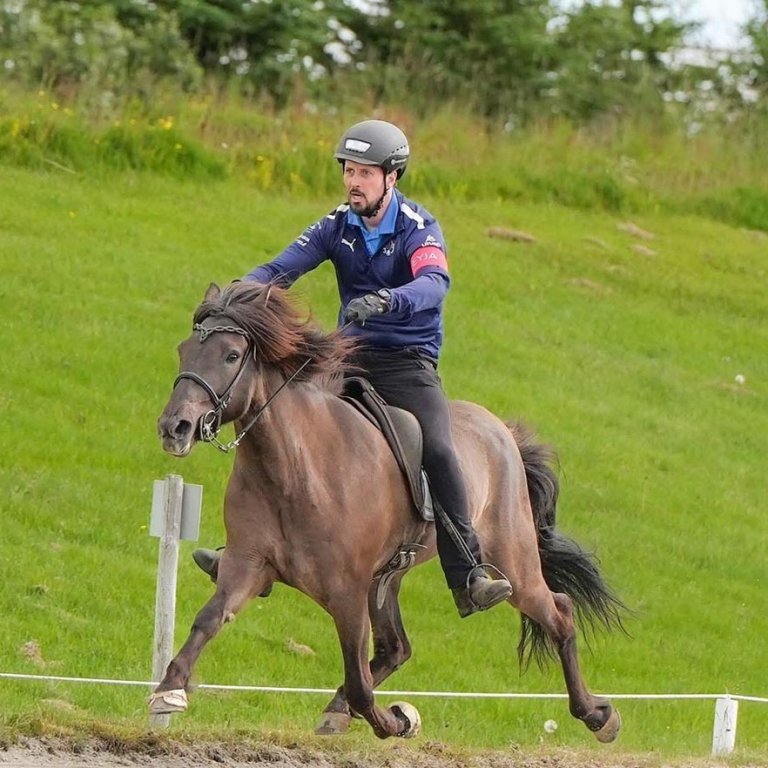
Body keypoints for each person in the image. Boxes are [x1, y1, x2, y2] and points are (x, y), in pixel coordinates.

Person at [192, 119, 512, 618]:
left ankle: (468, 572)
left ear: (392, 176)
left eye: (364, 173)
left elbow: (434, 284)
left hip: (407, 362)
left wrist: (389, 301)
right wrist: (236, 293)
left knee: (442, 448)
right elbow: (280, 269)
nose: (352, 182)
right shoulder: (335, 226)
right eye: (348, 171)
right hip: (350, 356)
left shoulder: (418, 227)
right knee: (278, 415)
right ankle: (248, 552)